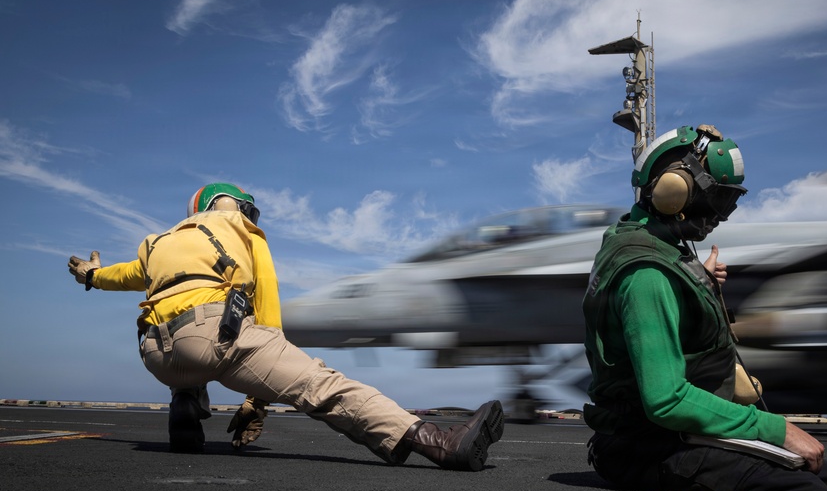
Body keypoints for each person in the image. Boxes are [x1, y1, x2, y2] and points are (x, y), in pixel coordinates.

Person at [68, 182, 504, 470]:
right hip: (213, 337)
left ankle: (185, 408)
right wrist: (257, 402)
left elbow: (121, 276)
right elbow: (267, 312)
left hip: (157, 356)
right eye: (248, 209)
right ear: (233, 205)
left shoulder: (156, 241)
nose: (253, 217)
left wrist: (90, 275)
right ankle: (440, 444)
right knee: (321, 385)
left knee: (176, 328)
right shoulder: (240, 230)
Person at [582, 125, 827, 491]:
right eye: (714, 199)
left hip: (665, 434)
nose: (717, 216)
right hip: (644, 444)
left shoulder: (652, 247)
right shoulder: (647, 274)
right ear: (674, 193)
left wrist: (696, 281)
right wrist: (780, 430)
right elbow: (666, 400)